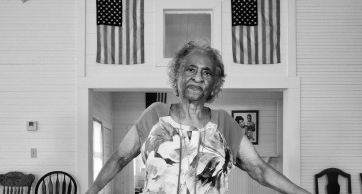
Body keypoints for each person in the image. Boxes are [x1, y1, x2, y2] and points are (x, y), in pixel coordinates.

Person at [86, 41, 311, 194]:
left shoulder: (224, 124)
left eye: (206, 72)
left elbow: (260, 170)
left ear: (214, 83)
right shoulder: (155, 115)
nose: (198, 77)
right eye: (190, 69)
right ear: (178, 75)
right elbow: (119, 159)